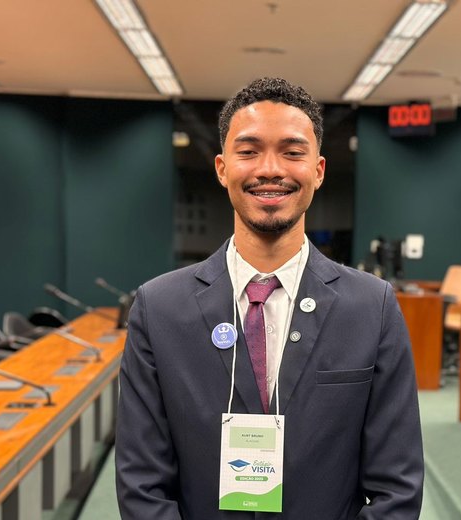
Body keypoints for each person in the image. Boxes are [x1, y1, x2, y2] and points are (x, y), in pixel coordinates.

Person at [116, 77, 423, 519]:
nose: (270, 169)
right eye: (249, 150)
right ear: (222, 168)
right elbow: (141, 482)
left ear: (318, 170)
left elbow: (398, 485)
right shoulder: (159, 308)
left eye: (293, 152)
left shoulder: (371, 307)